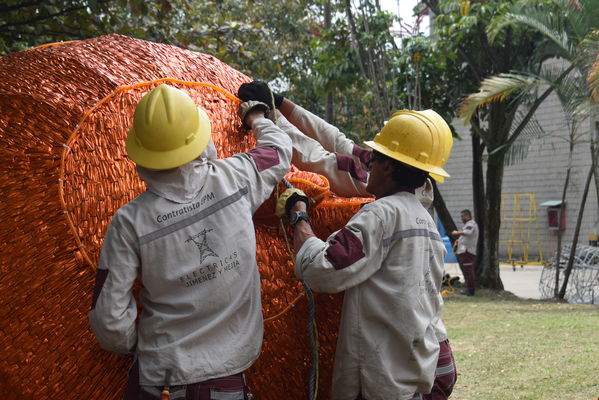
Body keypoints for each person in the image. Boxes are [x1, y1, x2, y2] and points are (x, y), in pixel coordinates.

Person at [239, 82, 457, 400]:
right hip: (426, 361)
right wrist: (281, 109)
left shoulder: (380, 215)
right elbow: (337, 145)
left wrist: (299, 216)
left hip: (386, 380)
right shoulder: (423, 215)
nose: (368, 164)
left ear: (387, 164)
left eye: (375, 158)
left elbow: (321, 268)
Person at [88, 84, 291, 399]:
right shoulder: (237, 178)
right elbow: (278, 150)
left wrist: (144, 347)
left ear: (143, 153)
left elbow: (109, 320)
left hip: (158, 381)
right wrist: (257, 117)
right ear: (200, 138)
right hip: (226, 381)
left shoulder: (129, 222)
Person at [451, 209, 479, 296]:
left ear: (468, 216)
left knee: (469, 272)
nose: (461, 218)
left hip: (468, 252)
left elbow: (467, 233)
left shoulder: (471, 224)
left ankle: (471, 291)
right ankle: (468, 289)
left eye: (463, 216)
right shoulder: (468, 224)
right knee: (467, 272)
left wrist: (456, 232)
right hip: (464, 251)